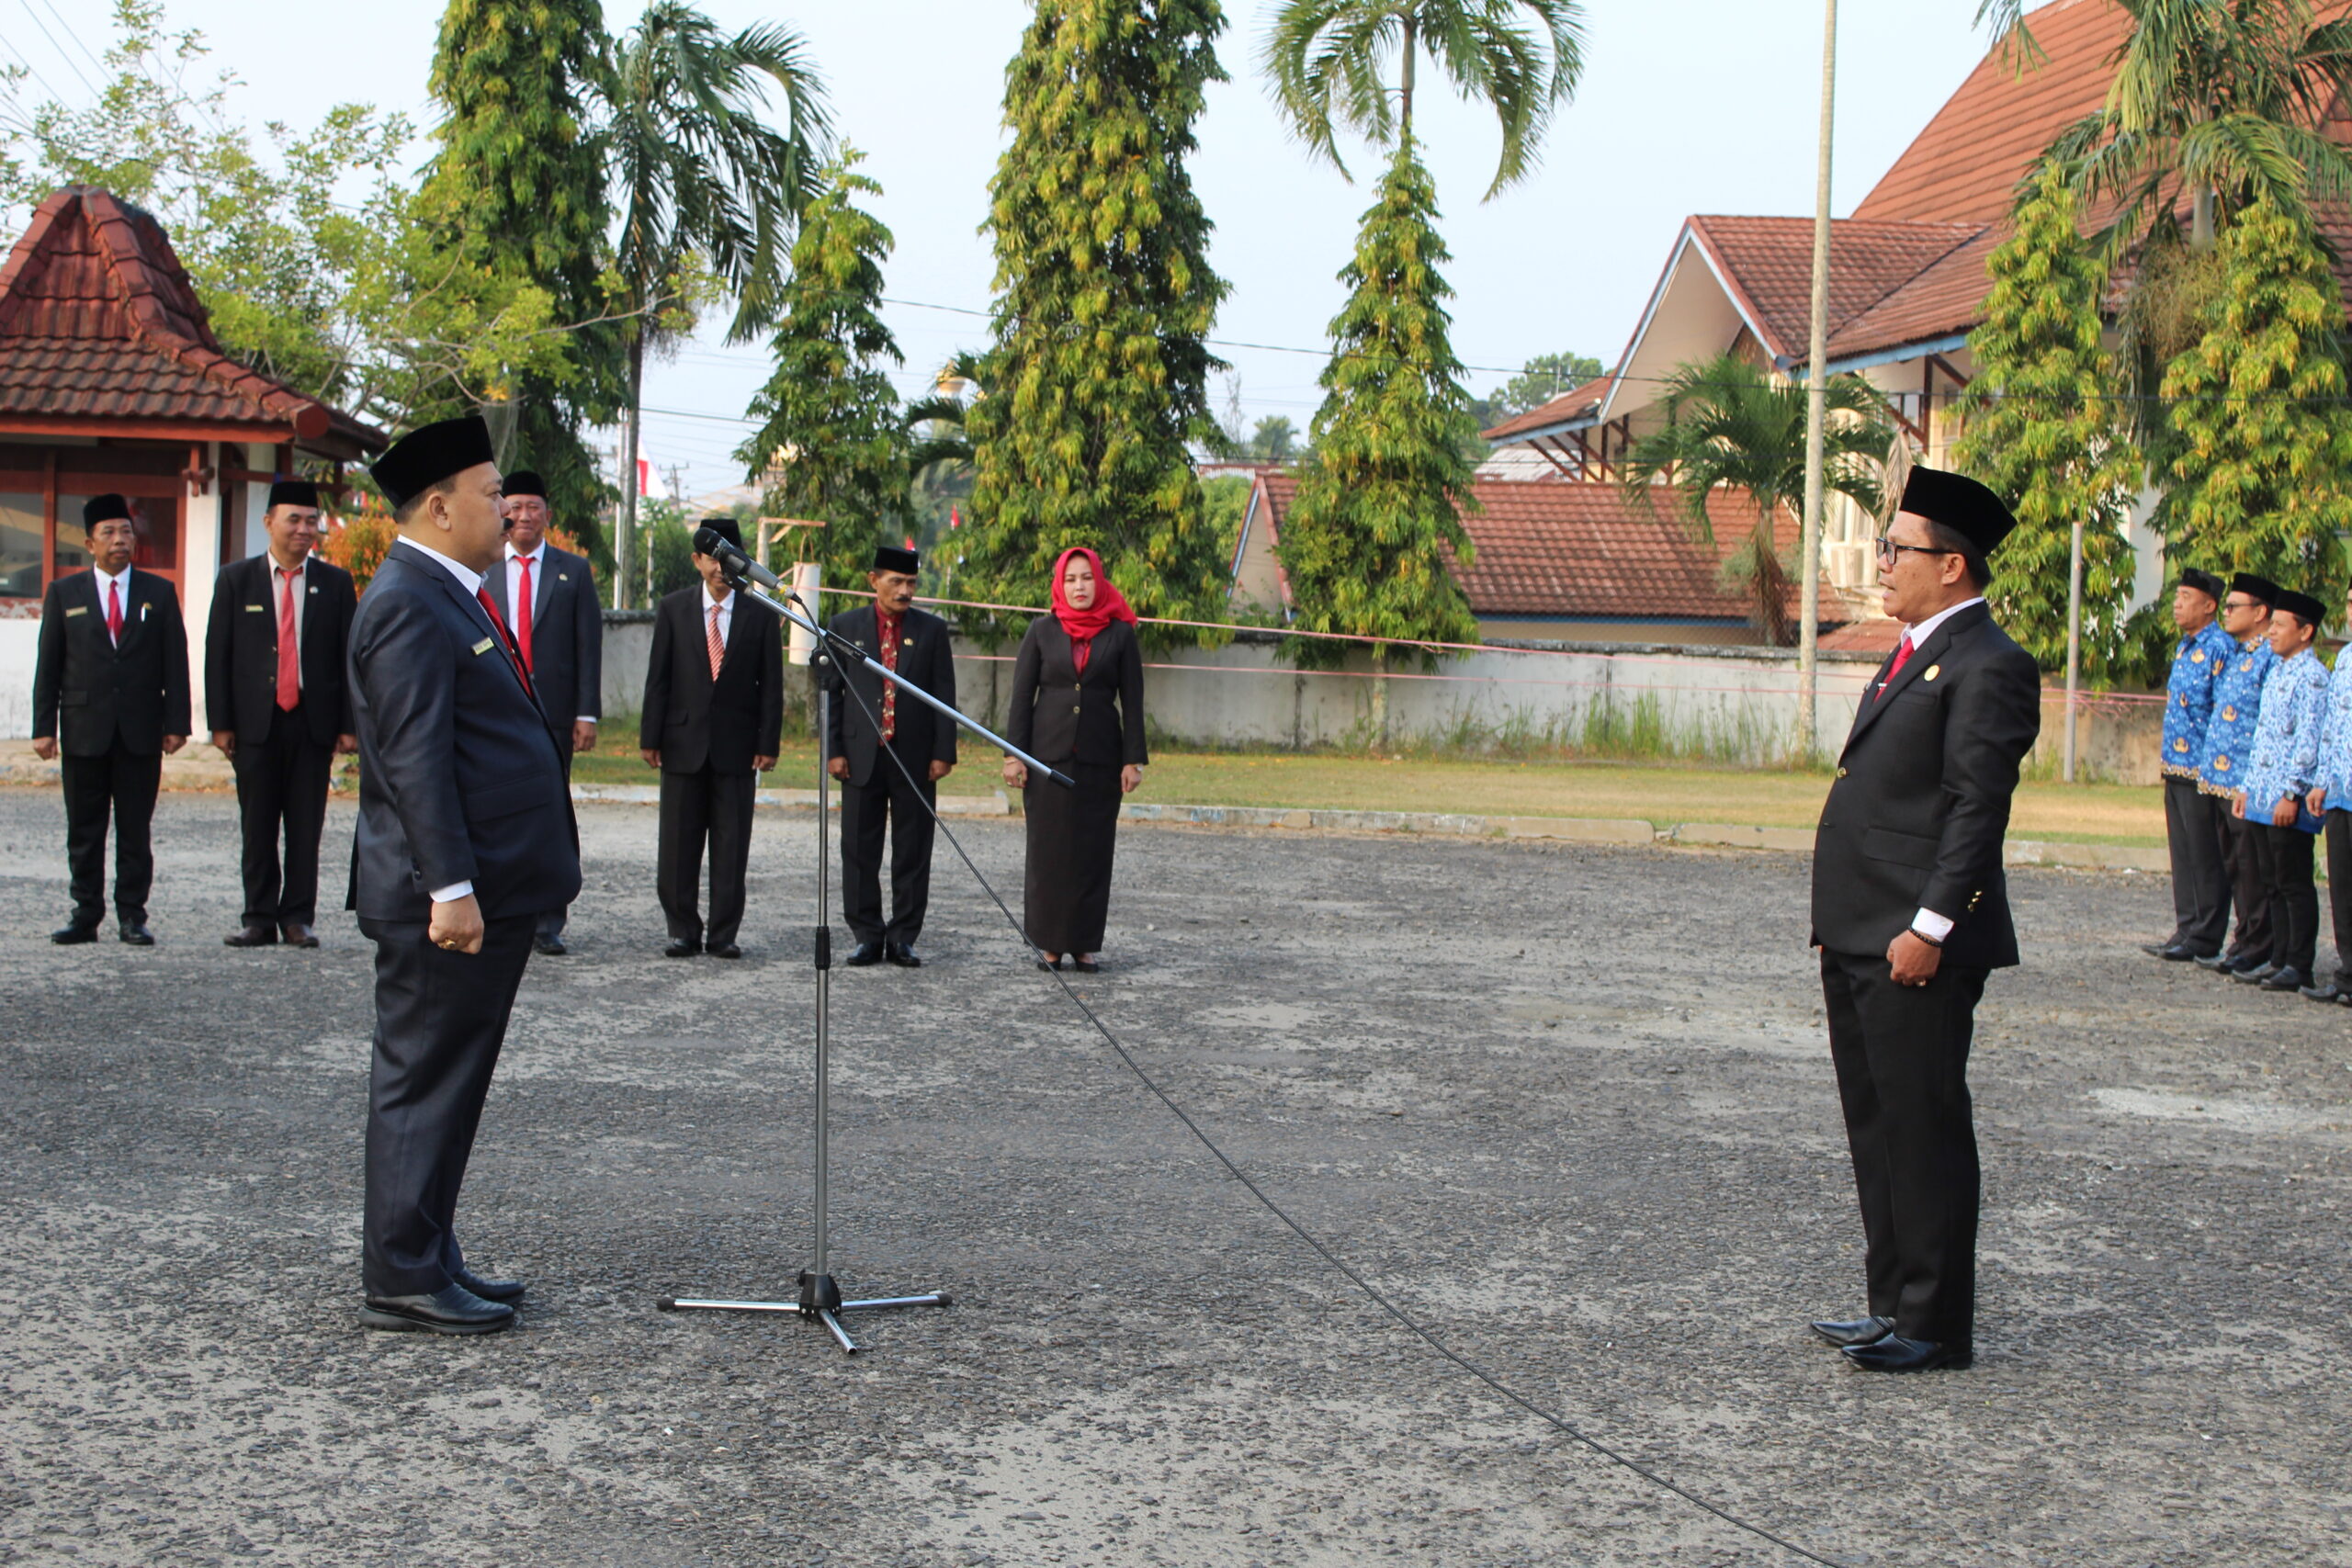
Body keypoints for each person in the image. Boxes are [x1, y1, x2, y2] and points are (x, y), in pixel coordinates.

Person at [347, 414, 580, 1335]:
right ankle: (401, 1271)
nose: (508, 509)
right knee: (424, 1079)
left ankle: (429, 1248)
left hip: (488, 887)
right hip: (442, 898)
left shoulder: (450, 589)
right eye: (491, 495)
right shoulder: (407, 600)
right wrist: (450, 887)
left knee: (454, 1082)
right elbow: (414, 759)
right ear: (440, 508)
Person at [1808, 466, 2041, 1375]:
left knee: (1925, 1126)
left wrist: (1932, 927)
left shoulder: (1990, 662)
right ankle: (1890, 1305)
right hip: (1861, 926)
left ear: (1951, 565)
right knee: (1877, 1125)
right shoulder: (1915, 649)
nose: (1882, 562)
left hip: (1916, 939)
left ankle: (1936, 1324)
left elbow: (1975, 809)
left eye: (1896, 548)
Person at [30, 493, 190, 945]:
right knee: (84, 829)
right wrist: (43, 728)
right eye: (109, 533)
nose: (120, 539)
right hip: (84, 729)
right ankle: (85, 914)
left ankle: (132, 915)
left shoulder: (158, 593)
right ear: (90, 543)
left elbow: (175, 660)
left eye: (126, 531)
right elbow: (49, 664)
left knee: (135, 830)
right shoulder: (65, 593)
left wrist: (177, 722)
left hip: (140, 729)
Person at [205, 479, 358, 949]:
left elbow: (349, 657)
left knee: (306, 826)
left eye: (312, 521)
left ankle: (297, 918)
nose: (304, 529)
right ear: (269, 523)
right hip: (256, 722)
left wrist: (349, 725)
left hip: (312, 722)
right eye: (294, 520)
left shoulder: (335, 583)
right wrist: (220, 723)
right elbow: (218, 654)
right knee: (257, 826)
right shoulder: (236, 580)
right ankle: (257, 917)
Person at [639, 518, 781, 959]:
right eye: (713, 559)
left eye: (731, 559)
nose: (721, 568)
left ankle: (723, 933)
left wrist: (768, 743)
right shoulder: (673, 609)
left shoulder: (760, 614)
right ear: (697, 560)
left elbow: (771, 686)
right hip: (682, 743)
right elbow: (659, 678)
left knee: (731, 844)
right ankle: (682, 929)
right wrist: (650, 736)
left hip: (737, 747)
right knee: (677, 844)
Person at [1001, 547, 1147, 972]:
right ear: (1059, 584)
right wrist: (1014, 755)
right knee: (1047, 852)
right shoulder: (1041, 631)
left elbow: (1133, 699)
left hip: (1101, 759)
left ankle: (1083, 944)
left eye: (1086, 578)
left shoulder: (1120, 634)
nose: (1079, 586)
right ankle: (1049, 943)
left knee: (1092, 852)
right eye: (1070, 579)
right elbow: (1021, 697)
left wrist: (1133, 759)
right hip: (1047, 758)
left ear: (1099, 581)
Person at [485, 469, 604, 956]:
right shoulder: (484, 568)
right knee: (497, 813)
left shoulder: (571, 570)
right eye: (515, 506)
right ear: (502, 511)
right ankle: (501, 912)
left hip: (554, 713)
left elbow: (588, 646)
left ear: (547, 515)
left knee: (550, 813)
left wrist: (587, 713)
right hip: (496, 711)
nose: (524, 516)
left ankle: (548, 920)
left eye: (534, 507)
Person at [826, 545, 956, 968]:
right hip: (860, 754)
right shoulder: (844, 626)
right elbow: (832, 694)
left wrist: (943, 752)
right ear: (874, 581)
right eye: (896, 582)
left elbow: (944, 695)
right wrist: (834, 750)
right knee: (858, 849)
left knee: (912, 849)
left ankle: (903, 937)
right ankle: (866, 935)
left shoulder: (932, 630)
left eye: (911, 583)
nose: (904, 591)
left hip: (914, 755)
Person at [2228, 587, 2330, 994]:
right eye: (2271, 625)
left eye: (2280, 626)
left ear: (2305, 632)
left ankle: (2299, 964)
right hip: (2262, 793)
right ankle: (2279, 958)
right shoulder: (2278, 671)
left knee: (2293, 882)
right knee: (2269, 881)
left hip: (2287, 797)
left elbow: (2309, 739)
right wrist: (2247, 787)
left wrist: (2291, 793)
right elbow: (2264, 736)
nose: (2271, 632)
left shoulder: (2312, 676)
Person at [2144, 569, 2234, 962]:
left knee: (2205, 855)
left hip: (2202, 770)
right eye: (2176, 596)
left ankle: (2206, 934)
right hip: (2175, 766)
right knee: (2182, 854)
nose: (2177, 605)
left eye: (2185, 597)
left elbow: (2223, 712)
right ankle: (2186, 927)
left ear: (2209, 605)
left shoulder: (2220, 648)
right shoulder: (2185, 647)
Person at [2194, 575, 2280, 977]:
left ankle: (2259, 944)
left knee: (2252, 869)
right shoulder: (2241, 654)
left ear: (2260, 612)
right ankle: (2244, 939)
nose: (2226, 613)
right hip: (2220, 778)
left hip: (2247, 782)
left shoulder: (2269, 657)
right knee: (2234, 864)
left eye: (2233, 607)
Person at [2300, 579, 2352, 1005]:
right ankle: (2347, 974)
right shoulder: (2346, 658)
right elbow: (2332, 727)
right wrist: (2321, 780)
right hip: (2340, 790)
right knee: (2343, 888)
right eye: (2350, 603)